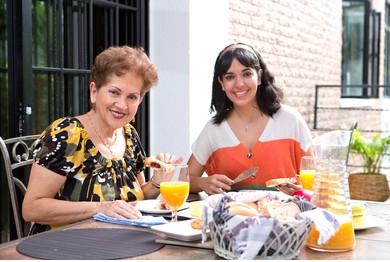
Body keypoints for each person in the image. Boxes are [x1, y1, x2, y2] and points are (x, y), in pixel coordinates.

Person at [22, 46, 182, 233]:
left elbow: (135, 197)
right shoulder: (67, 134)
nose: (122, 105)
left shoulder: (129, 134)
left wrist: (157, 182)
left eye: (132, 97)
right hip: (68, 245)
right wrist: (100, 208)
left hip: (121, 239)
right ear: (94, 91)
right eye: (114, 92)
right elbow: (32, 208)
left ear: (139, 101)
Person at [188, 42, 313, 195]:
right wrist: (203, 183)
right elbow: (184, 180)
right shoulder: (214, 129)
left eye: (247, 74)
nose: (239, 84)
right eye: (230, 77)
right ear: (221, 83)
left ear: (259, 77)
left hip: (287, 216)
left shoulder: (290, 121)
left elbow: (317, 180)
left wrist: (304, 190)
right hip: (232, 217)